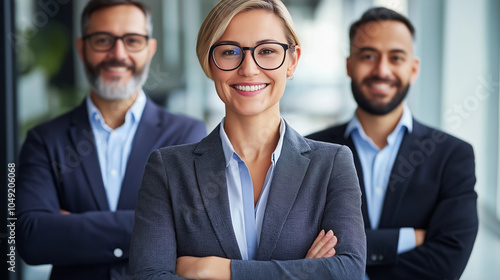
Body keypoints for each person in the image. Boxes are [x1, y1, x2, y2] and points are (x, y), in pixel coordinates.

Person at [130, 0, 366, 279]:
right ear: (209, 62)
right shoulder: (168, 169)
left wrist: (220, 270)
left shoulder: (332, 164)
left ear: (292, 61)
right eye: (230, 52)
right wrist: (304, 272)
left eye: (267, 51)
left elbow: (348, 271)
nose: (249, 68)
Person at [16, 0, 206, 279]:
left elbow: (193, 231)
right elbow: (32, 238)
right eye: (103, 40)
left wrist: (74, 226)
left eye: (132, 40)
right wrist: (157, 224)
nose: (118, 54)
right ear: (82, 48)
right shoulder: (45, 139)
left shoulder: (186, 134)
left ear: (150, 49)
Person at [307, 7, 478, 280]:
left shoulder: (452, 155)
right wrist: (406, 238)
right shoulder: (310, 150)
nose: (381, 70)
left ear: (413, 69)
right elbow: (296, 245)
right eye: (368, 56)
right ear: (349, 65)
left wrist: (346, 263)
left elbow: (447, 263)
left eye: (395, 57)